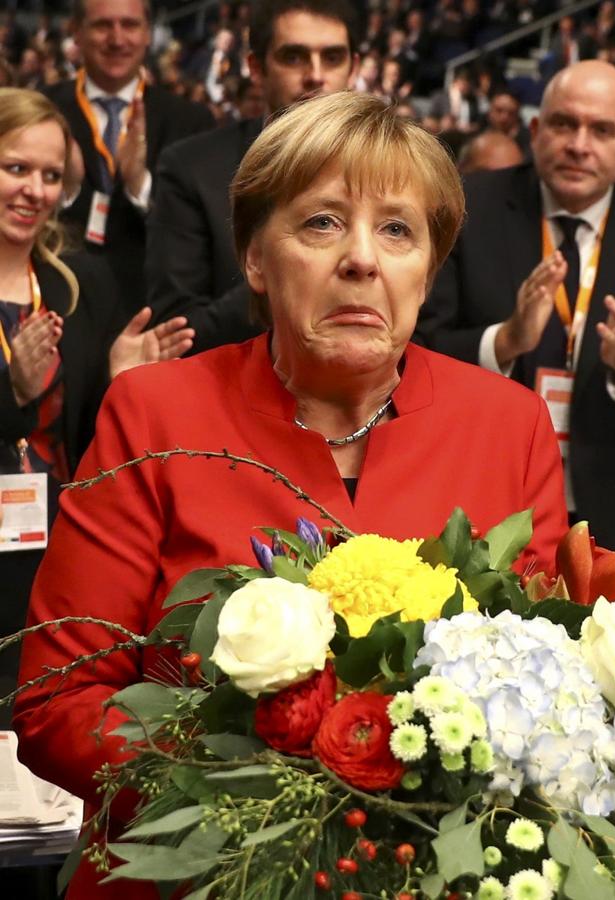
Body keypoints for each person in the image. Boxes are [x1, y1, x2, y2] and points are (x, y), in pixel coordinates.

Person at [15, 92, 568, 897]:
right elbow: (57, 701)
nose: (362, 260)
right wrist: (272, 802)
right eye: (320, 223)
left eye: (397, 230)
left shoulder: (508, 426)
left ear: (427, 268)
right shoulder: (155, 412)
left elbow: (548, 700)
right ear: (254, 259)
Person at [416, 60, 615, 567]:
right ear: (535, 131)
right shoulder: (467, 211)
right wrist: (503, 342)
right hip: (471, 504)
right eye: (564, 124)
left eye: (602, 131)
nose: (579, 145)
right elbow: (410, 352)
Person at [0, 88, 193, 722]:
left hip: (49, 556)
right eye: (16, 168)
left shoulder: (77, 286)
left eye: (51, 176)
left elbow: (86, 448)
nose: (34, 190)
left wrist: (119, 384)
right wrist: (13, 397)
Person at [145, 0, 360, 354]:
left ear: (353, 68)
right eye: (294, 57)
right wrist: (291, 272)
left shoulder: (393, 171)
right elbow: (177, 332)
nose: (316, 75)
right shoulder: (192, 168)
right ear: (256, 68)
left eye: (333, 58)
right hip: (230, 394)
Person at [44, 0, 215, 316]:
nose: (117, 39)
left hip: (152, 306)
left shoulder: (190, 120)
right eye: (102, 25)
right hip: (58, 300)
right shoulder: (43, 109)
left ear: (148, 34)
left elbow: (198, 231)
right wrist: (64, 190)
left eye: (130, 25)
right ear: (76, 33)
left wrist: (141, 186)